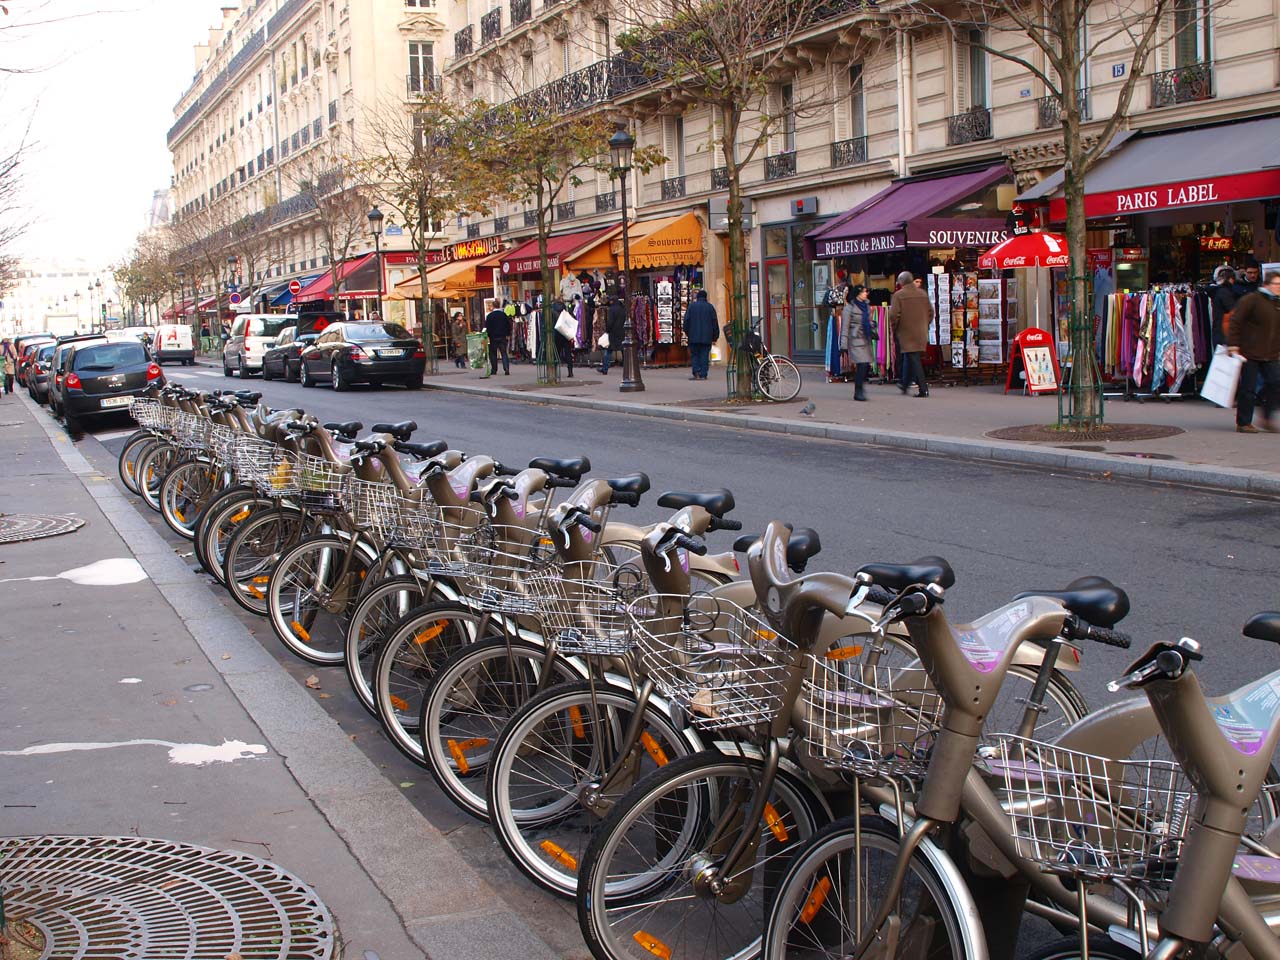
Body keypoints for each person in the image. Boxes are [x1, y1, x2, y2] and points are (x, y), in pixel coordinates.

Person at [1226, 270, 1280, 433]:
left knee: (1275, 383)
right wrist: (1233, 344)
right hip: (1249, 351)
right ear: (1267, 285)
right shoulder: (1251, 299)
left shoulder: (1277, 303)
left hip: (1271, 352)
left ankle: (1267, 417)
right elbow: (1235, 321)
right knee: (1248, 389)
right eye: (1277, 284)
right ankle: (1243, 422)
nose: (1279, 288)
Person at [888, 270, 933, 397]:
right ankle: (905, 383)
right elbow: (931, 312)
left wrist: (895, 328)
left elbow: (894, 315)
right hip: (921, 330)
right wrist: (925, 324)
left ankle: (923, 388)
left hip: (906, 331)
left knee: (913, 358)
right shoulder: (922, 293)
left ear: (901, 282)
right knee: (909, 356)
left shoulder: (898, 295)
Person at [841, 284, 874, 401]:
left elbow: (868, 321)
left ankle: (860, 389)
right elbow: (844, 328)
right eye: (864, 292)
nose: (866, 294)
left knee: (865, 365)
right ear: (858, 294)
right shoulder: (849, 309)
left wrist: (872, 327)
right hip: (855, 340)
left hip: (865, 339)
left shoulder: (867, 307)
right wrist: (843, 345)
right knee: (862, 364)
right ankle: (858, 390)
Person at [683, 290, 719, 381]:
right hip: (707, 337)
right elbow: (714, 322)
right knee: (704, 355)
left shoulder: (691, 307)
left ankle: (696, 372)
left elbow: (686, 321)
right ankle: (703, 373)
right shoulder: (710, 307)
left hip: (693, 336)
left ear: (697, 297)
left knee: (695, 355)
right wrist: (715, 336)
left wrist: (688, 333)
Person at [1211, 267, 1240, 348]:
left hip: (1219, 331)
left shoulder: (1218, 291)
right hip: (1224, 332)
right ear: (1230, 279)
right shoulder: (1225, 293)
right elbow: (1233, 311)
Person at [600, 295, 626, 374]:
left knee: (608, 350)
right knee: (623, 349)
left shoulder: (611, 310)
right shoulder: (622, 309)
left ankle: (605, 368)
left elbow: (610, 322)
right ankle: (626, 366)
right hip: (621, 331)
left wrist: (607, 330)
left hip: (613, 332)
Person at [484, 301, 511, 375]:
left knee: (493, 353)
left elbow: (487, 327)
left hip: (493, 337)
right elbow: (508, 325)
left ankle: (494, 370)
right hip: (502, 336)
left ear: (493, 306)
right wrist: (508, 334)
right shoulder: (504, 315)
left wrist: (488, 335)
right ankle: (506, 368)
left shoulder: (490, 316)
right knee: (504, 353)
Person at [550, 297, 575, 378]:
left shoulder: (552, 310)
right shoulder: (566, 309)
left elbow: (550, 323)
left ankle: (555, 372)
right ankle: (570, 371)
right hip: (565, 333)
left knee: (556, 353)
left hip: (557, 333)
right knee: (568, 353)